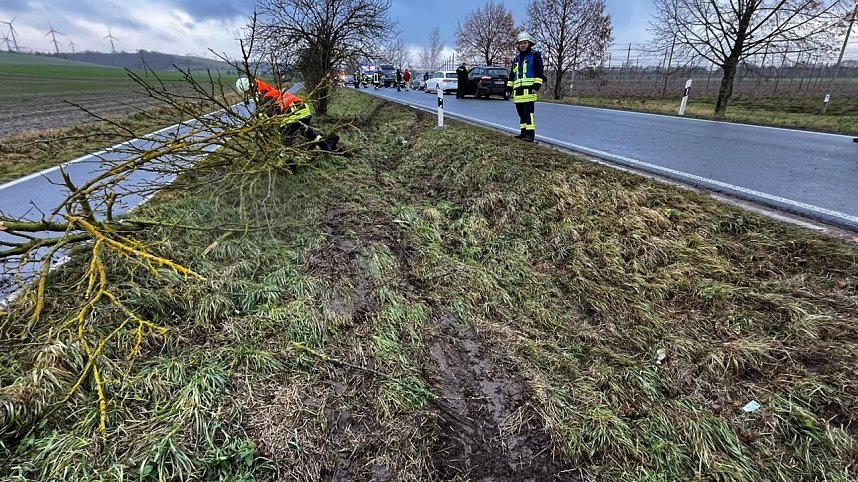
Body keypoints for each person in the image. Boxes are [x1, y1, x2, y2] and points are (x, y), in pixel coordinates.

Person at [234, 77, 338, 152]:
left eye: (247, 93)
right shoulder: (267, 91)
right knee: (307, 132)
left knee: (284, 140)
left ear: (248, 90)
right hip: (303, 109)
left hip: (294, 113)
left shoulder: (265, 97)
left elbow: (272, 117)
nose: (247, 95)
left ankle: (291, 165)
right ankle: (328, 148)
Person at [507, 32, 545, 143]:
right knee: (521, 114)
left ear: (529, 44)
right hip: (518, 91)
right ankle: (523, 133)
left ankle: (530, 135)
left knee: (529, 114)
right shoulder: (516, 59)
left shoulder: (535, 55)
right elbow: (512, 75)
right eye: (521, 43)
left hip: (529, 90)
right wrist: (509, 89)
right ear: (518, 45)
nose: (523, 45)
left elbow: (539, 72)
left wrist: (536, 86)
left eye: (525, 43)